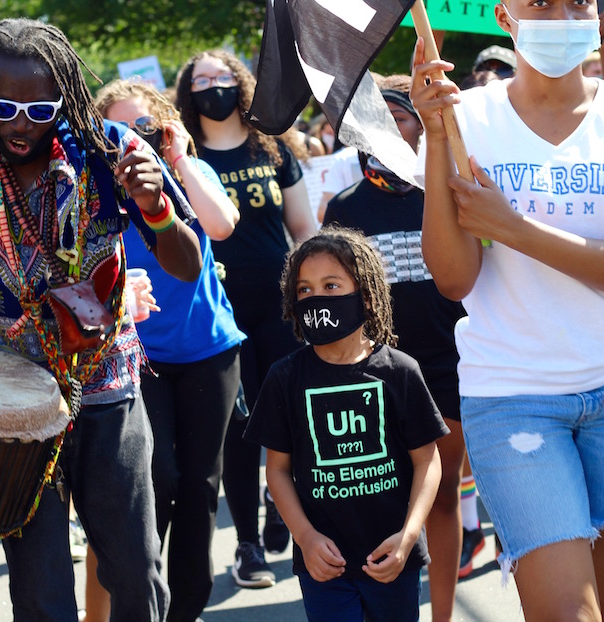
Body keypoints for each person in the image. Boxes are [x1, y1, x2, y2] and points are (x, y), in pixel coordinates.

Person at [0, 18, 202, 621]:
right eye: (2, 105)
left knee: (133, 567)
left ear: (64, 96)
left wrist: (156, 208)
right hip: (7, 393)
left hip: (104, 380)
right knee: (39, 587)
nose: (19, 123)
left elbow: (189, 264)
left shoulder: (114, 150)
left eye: (40, 109)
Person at [412, 0, 604, 618]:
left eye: (577, 0)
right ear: (504, 16)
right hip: (512, 396)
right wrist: (438, 141)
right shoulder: (462, 117)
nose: (561, 12)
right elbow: (455, 279)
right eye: (539, 0)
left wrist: (513, 228)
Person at [94, 78, 245, 622]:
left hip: (208, 349)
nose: (135, 140)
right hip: (137, 355)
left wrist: (179, 158)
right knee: (156, 479)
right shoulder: (96, 187)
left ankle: (185, 610)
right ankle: (142, 603)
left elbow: (222, 226)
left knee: (202, 487)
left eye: (145, 127)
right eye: (120, 131)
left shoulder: (186, 172)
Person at [244, 226, 447, 621]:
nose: (316, 298)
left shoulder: (400, 371)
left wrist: (408, 536)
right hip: (324, 565)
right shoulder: (285, 378)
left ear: (365, 294)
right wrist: (304, 537)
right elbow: (278, 470)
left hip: (392, 560)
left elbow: (428, 461)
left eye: (331, 285)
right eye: (304, 290)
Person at [323, 89, 467, 622]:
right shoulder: (342, 209)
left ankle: (444, 615)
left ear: (422, 126)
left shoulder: (450, 191)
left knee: (443, 494)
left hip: (450, 365)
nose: (384, 128)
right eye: (371, 119)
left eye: (398, 116)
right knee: (388, 498)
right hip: (378, 373)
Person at [177, 49, 317, 588]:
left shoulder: (274, 147)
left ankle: (281, 505)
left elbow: (303, 226)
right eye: (201, 80)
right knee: (238, 430)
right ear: (188, 94)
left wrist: (320, 293)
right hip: (217, 311)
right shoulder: (185, 156)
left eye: (222, 77)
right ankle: (248, 546)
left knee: (287, 417)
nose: (213, 87)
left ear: (242, 84)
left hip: (281, 304)